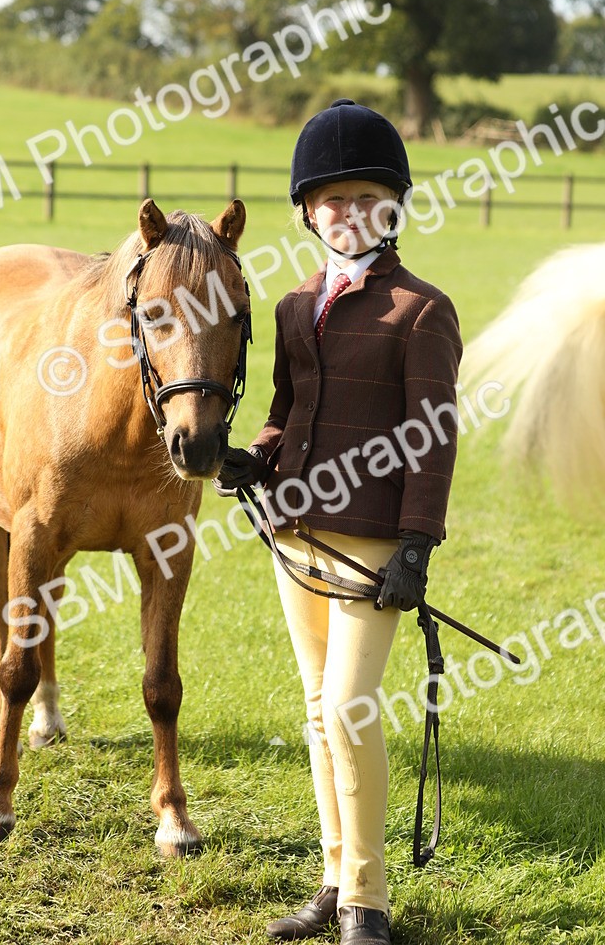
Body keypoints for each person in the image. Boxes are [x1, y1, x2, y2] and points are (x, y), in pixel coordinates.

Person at [214, 99, 463, 944]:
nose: (348, 214)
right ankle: (333, 879)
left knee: (351, 707)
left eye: (366, 199)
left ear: (393, 207)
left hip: (373, 545)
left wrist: (418, 547)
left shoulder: (421, 312)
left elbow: (434, 441)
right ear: (309, 212)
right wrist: (258, 455)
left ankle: (368, 903)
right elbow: (288, 408)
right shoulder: (292, 307)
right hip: (296, 536)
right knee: (320, 711)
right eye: (332, 201)